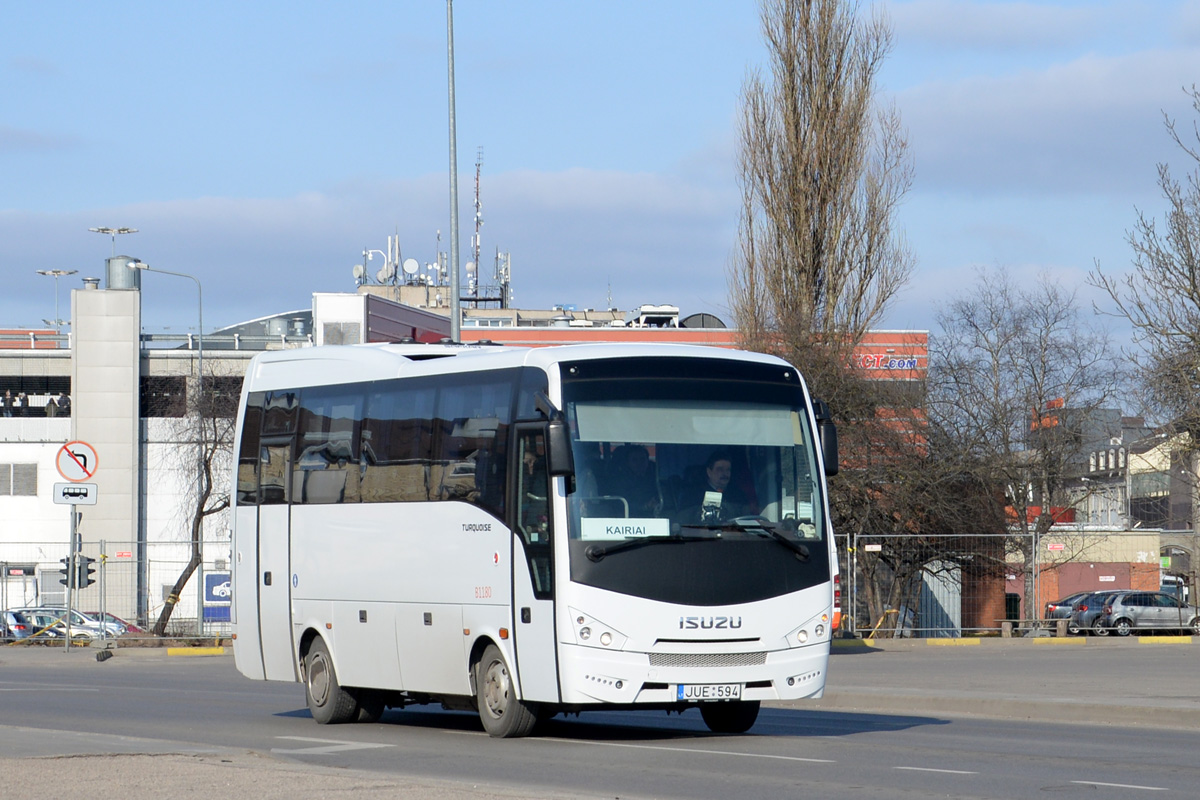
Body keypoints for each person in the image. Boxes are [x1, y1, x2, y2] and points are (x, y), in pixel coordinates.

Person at [605, 444, 661, 517]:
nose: (639, 463)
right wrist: (645, 506)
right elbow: (619, 505)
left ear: (648, 461)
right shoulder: (619, 482)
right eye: (634, 460)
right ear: (628, 463)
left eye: (642, 459)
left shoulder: (657, 478)